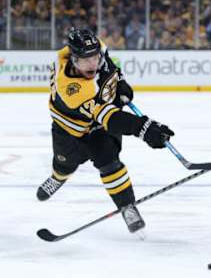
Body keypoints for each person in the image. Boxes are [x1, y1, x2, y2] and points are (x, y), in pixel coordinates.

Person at [37, 28, 174, 234]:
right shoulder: (72, 88)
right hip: (69, 129)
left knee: (109, 162)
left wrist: (121, 83)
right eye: (85, 60)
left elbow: (110, 65)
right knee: (65, 164)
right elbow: (109, 116)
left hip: (99, 128)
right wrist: (143, 128)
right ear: (74, 60)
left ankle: (127, 206)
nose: (92, 64)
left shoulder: (97, 49)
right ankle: (59, 177)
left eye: (95, 58)